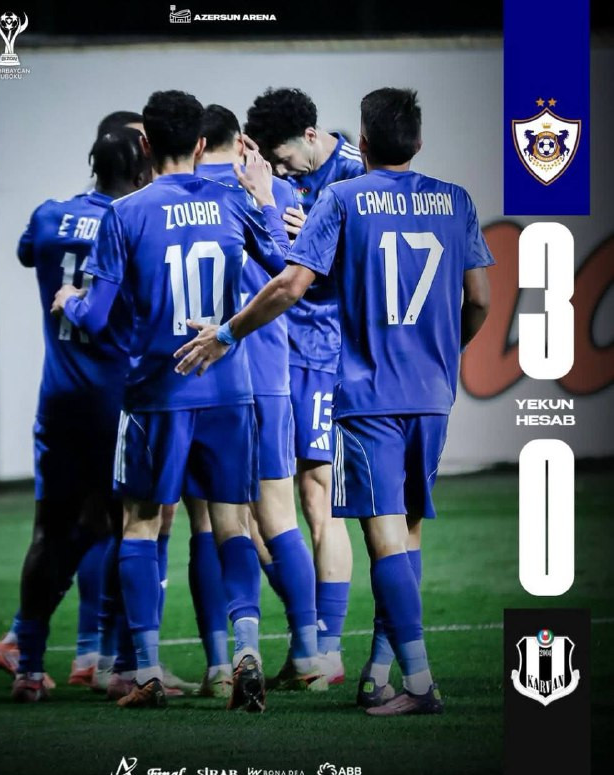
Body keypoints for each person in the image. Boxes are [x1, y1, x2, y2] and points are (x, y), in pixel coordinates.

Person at [174, 87, 493, 716]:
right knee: (406, 535)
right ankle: (379, 671)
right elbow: (479, 299)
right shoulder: (456, 200)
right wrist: (443, 352)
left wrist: (227, 333)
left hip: (367, 389)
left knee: (376, 533)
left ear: (361, 142)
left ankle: (418, 682)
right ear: (419, 141)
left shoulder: (345, 197)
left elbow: (293, 283)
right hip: (432, 392)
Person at [52, 90, 290, 711]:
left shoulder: (125, 213)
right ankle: (246, 652)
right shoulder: (233, 200)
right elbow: (282, 266)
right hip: (228, 391)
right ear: (202, 143)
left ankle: (148, 671)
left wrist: (70, 300)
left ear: (146, 144)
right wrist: (266, 199)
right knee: (233, 524)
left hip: (156, 393)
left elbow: (96, 317)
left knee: (140, 522)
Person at [6, 127, 152, 702]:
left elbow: (27, 252)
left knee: (51, 531)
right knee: (127, 528)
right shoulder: (137, 220)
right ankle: (119, 666)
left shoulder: (48, 215)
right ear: (140, 172)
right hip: (117, 402)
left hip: (59, 401)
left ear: (93, 164)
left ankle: (28, 666)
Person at [192, 104, 326, 692]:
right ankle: (309, 653)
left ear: (196, 145)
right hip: (270, 371)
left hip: (205, 376)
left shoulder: (178, 195)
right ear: (241, 141)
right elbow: (298, 276)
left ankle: (222, 666)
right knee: (280, 517)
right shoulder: (276, 194)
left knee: (210, 522)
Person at [245, 88, 365, 682]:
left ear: (311, 135)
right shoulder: (280, 180)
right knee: (257, 504)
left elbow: (369, 267)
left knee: (319, 494)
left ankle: (328, 650)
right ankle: (307, 640)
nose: (282, 168)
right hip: (275, 350)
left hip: (321, 351)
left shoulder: (357, 175)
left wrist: (317, 240)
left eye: (284, 157)